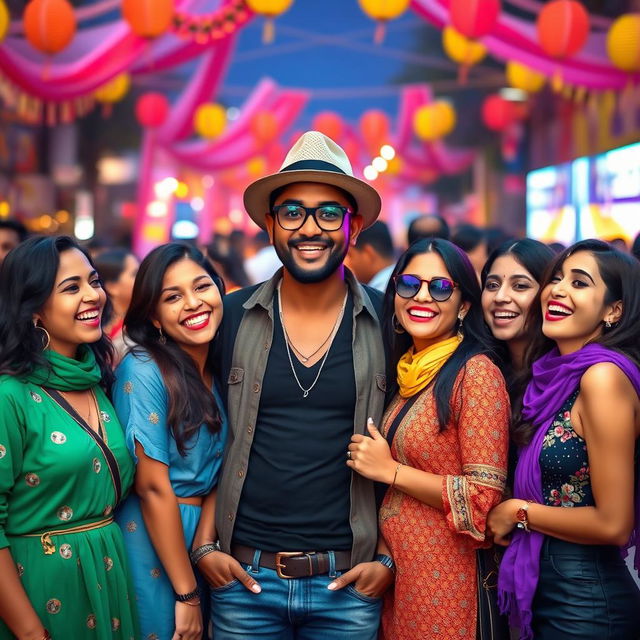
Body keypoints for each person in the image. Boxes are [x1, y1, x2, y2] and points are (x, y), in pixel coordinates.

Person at [194, 131, 391, 639]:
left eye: (328, 213)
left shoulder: (387, 321)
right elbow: (207, 437)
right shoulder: (231, 316)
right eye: (292, 212)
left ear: (356, 225)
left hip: (346, 586)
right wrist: (205, 548)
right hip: (245, 583)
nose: (309, 229)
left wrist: (386, 561)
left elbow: (412, 448)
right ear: (269, 224)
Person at [346, 237, 510, 639]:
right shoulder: (408, 372)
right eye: (410, 284)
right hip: (400, 580)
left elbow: (482, 499)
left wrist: (390, 471)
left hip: (448, 585)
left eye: (440, 287)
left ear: (464, 305)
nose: (423, 296)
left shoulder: (476, 373)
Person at [488, 239, 640, 640]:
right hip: (550, 589)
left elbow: (614, 523)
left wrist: (519, 512)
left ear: (614, 310)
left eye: (579, 282)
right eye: (556, 278)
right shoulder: (553, 377)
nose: (557, 290)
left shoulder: (603, 378)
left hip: (585, 604)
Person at [0, 235, 138, 639]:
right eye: (71, 288)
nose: (92, 295)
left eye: (93, 281)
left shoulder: (98, 380)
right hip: (40, 585)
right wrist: (28, 630)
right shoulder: (11, 395)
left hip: (108, 572)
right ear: (34, 310)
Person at [113, 243, 228, 640]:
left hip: (199, 540)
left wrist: (205, 542)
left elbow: (220, 471)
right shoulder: (144, 368)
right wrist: (188, 593)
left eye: (202, 287)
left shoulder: (218, 367)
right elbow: (150, 486)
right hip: (153, 533)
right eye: (173, 297)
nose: (194, 304)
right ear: (154, 316)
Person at [481, 239, 555, 373]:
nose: (500, 297)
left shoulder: (569, 376)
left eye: (520, 286)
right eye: (492, 285)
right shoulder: (477, 370)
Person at [94, 248, 139, 364]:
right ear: (112, 287)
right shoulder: (95, 331)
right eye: (135, 274)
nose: (142, 277)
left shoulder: (142, 322)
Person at [346, 220, 396, 291]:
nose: (344, 263)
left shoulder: (380, 292)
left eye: (349, 255)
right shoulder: (400, 281)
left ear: (368, 253)